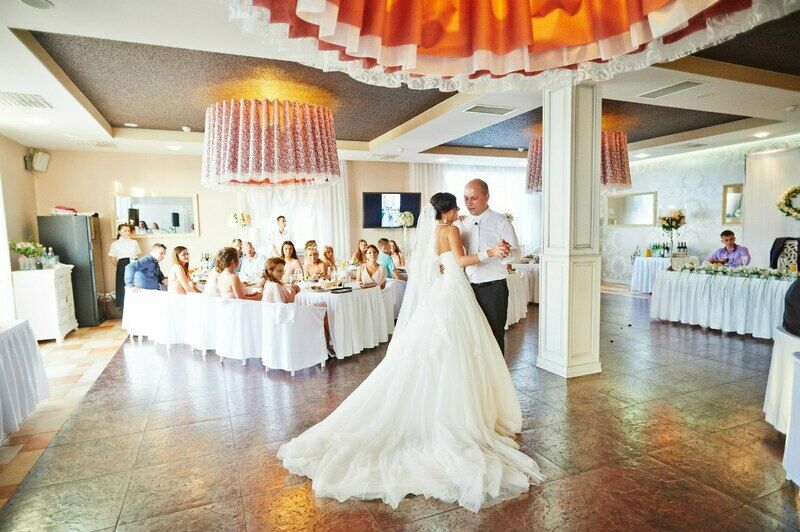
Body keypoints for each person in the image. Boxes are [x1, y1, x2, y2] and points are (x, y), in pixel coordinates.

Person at [277, 192, 542, 512]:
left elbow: (440, 258)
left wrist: (455, 228)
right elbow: (459, 261)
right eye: (456, 206)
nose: (460, 210)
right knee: (459, 349)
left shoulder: (433, 231)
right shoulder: (450, 229)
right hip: (455, 292)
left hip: (441, 292)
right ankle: (462, 414)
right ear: (448, 211)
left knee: (435, 351)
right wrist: (487, 251)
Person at [455, 179, 515, 355]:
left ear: (486, 197)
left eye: (473, 198)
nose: (469, 203)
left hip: (494, 289)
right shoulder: (460, 223)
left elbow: (516, 252)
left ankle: (497, 374)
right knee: (470, 338)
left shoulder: (501, 221)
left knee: (494, 336)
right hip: (466, 288)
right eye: (466, 198)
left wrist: (505, 253)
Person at [108, 223, 141, 309]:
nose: (127, 232)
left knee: (135, 283)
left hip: (133, 263)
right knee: (122, 285)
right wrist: (120, 266)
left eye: (128, 231)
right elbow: (112, 258)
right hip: (122, 264)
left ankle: (136, 305)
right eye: (125, 230)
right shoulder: (115, 244)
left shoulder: (134, 242)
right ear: (119, 231)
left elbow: (137, 255)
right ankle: (123, 307)